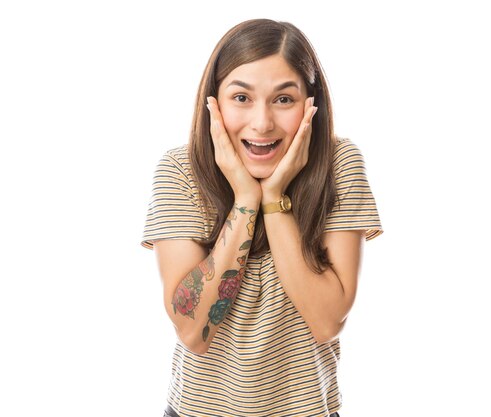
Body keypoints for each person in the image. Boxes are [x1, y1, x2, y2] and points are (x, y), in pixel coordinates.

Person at [141, 18, 383, 417]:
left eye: (283, 99)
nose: (262, 123)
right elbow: (192, 330)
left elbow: (327, 320)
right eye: (242, 98)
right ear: (214, 102)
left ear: (311, 104)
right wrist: (245, 200)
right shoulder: (181, 170)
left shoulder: (339, 164)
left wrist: (273, 199)